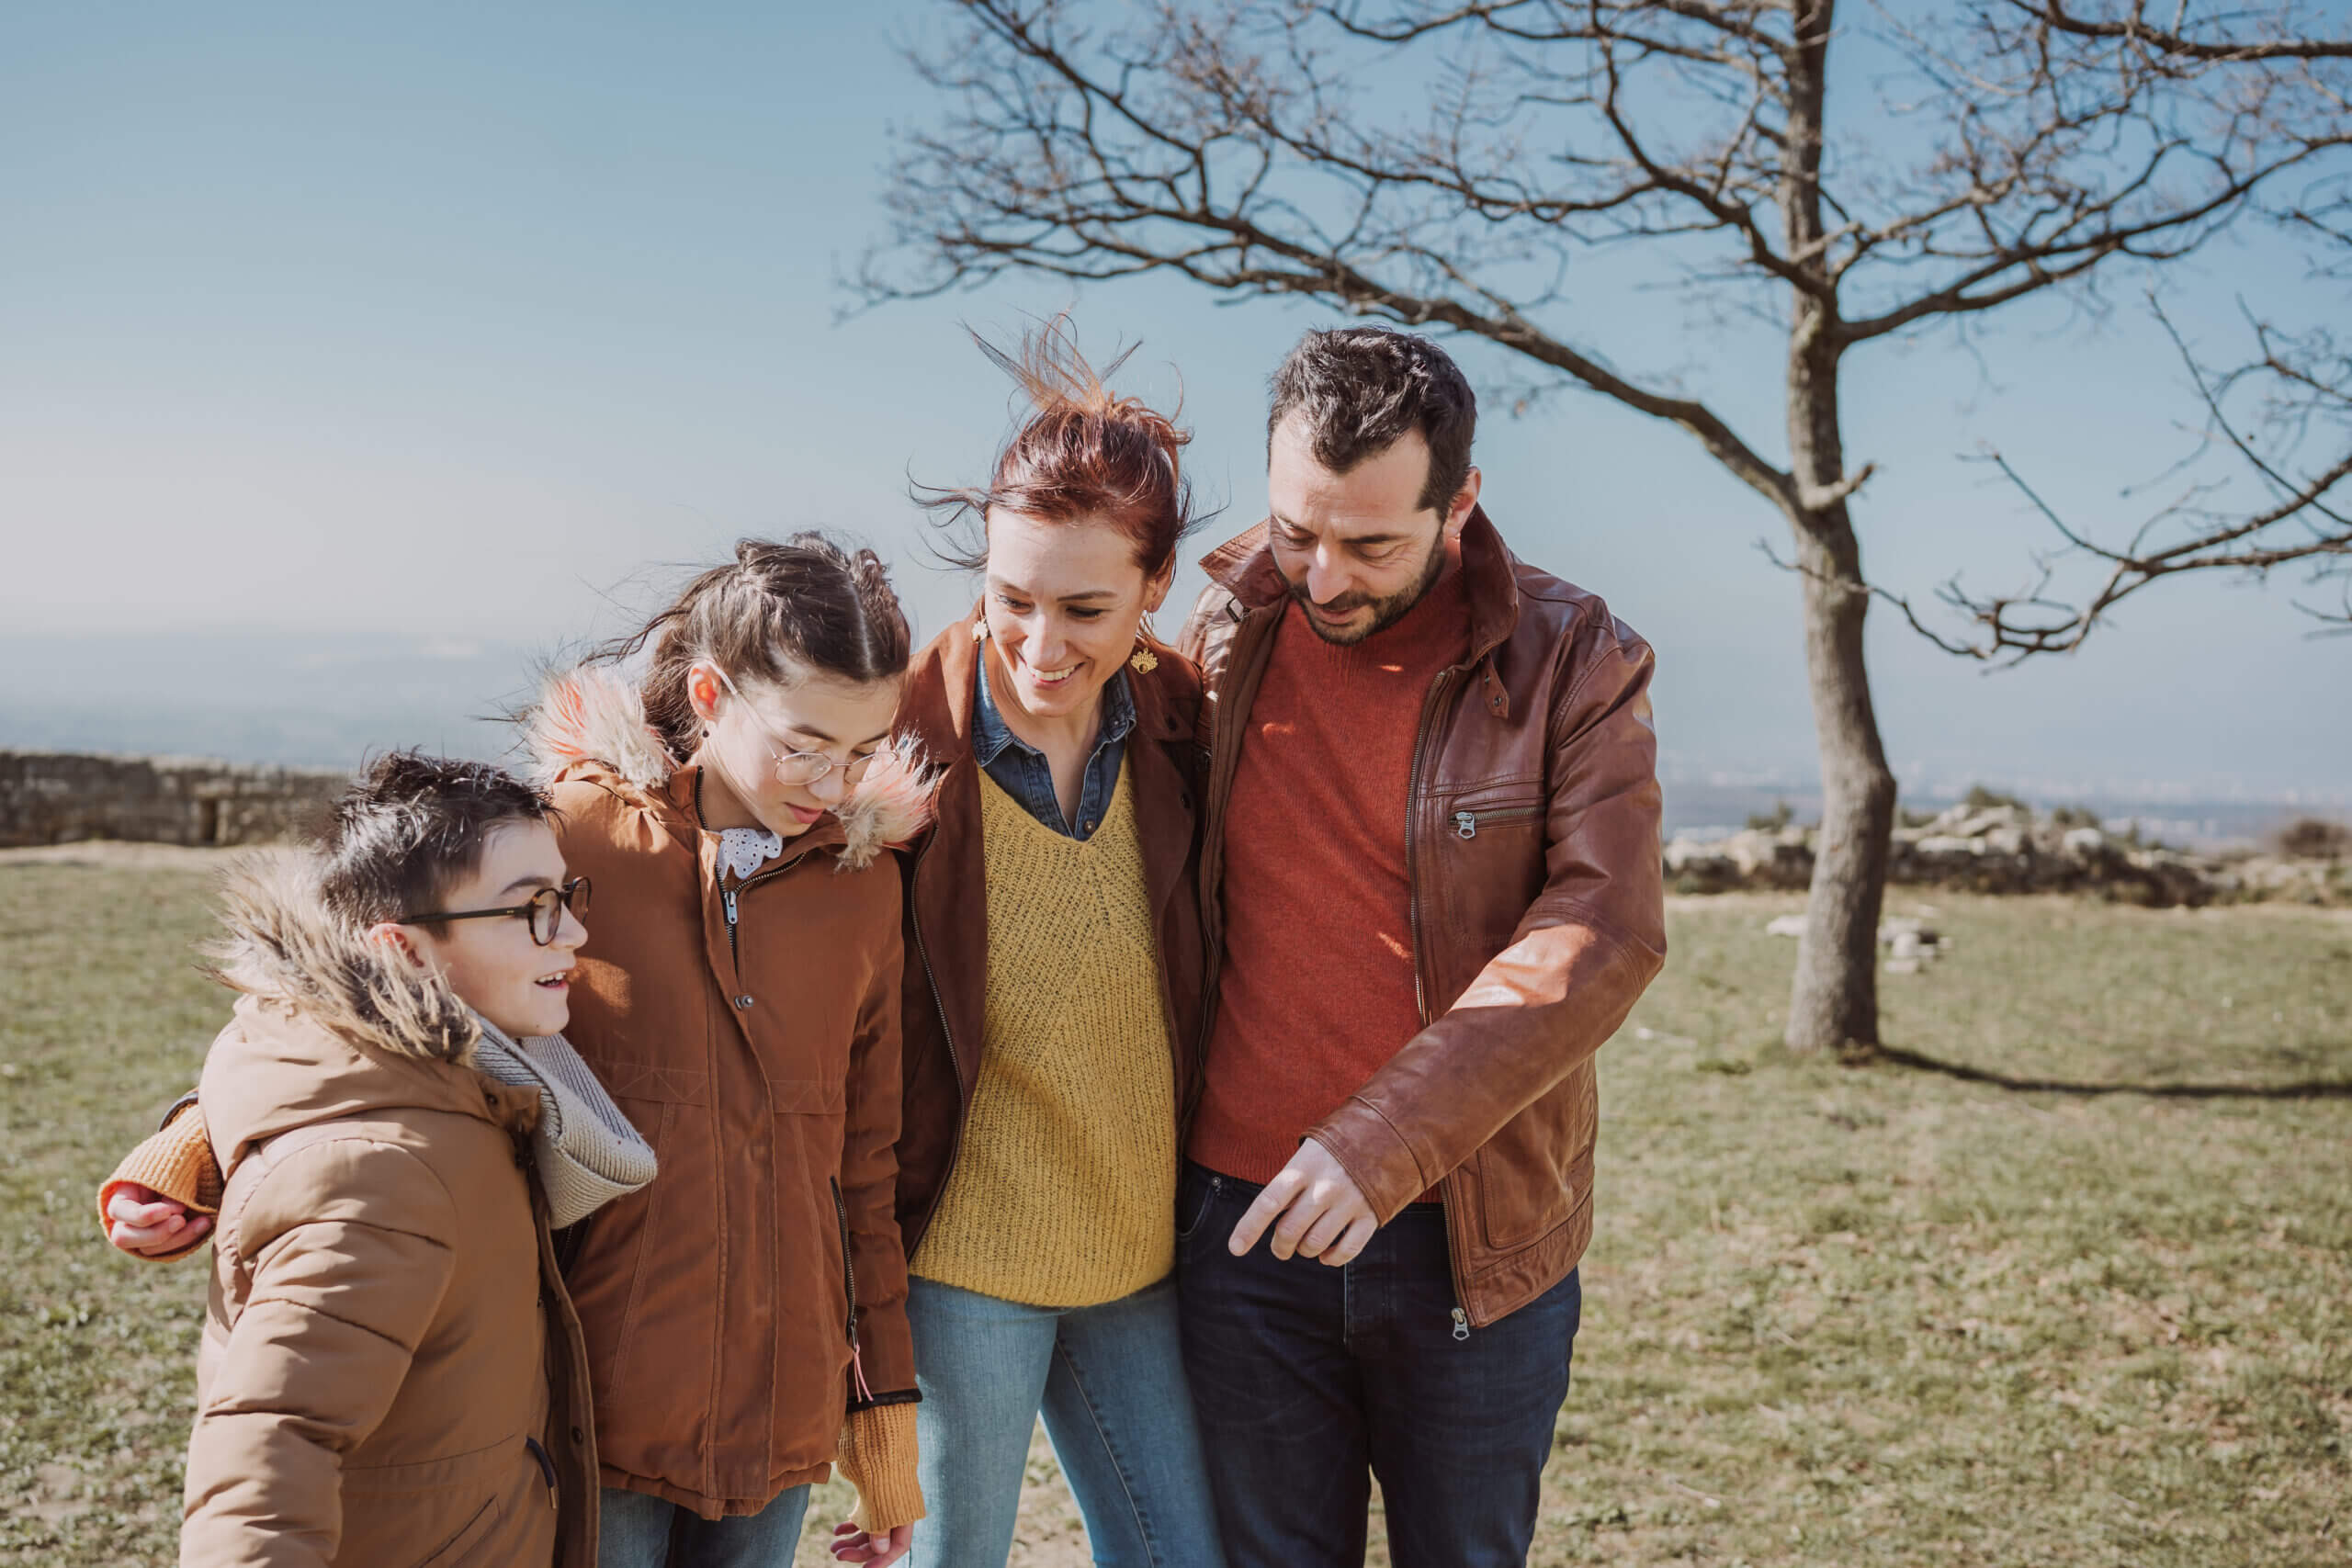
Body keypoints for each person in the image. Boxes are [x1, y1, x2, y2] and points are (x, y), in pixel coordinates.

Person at [103, 535, 933, 1568]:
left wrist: (882, 1415)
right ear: (712, 695)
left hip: (780, 1415)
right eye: (805, 742)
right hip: (597, 1396)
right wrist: (198, 1139)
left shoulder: (865, 890)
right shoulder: (572, 837)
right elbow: (349, 983)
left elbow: (862, 1173)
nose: (834, 780)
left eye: (863, 751)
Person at [1173, 327, 1668, 1567]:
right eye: (1298, 528)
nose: (1324, 576)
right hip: (1238, 1230)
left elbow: (1604, 928)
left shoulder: (1576, 654)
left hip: (1470, 1240)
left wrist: (1378, 1144)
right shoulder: (1225, 619)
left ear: (1463, 503)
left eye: (1372, 542)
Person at [827, 325, 1227, 1568]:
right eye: (1010, 598)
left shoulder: (1184, 725)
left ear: (1157, 588)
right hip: (963, 1258)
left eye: (1085, 607)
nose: (1041, 644)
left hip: (1137, 1257)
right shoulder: (891, 732)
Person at [136, 750, 649, 1566]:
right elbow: (266, 1457)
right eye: (533, 908)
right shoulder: (381, 1173)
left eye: (567, 898)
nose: (577, 933)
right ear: (406, 951)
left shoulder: (471, 1085)